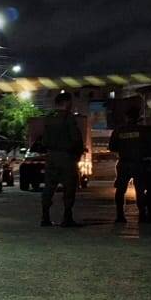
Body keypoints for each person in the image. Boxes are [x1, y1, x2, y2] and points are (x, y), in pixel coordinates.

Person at [40, 92, 85, 227]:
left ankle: (45, 217)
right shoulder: (68, 117)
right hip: (66, 157)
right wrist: (78, 152)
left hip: (51, 157)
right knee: (69, 188)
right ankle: (67, 218)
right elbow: (76, 138)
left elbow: (44, 140)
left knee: (49, 188)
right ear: (67, 102)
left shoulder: (49, 118)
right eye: (70, 102)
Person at [107, 108, 148, 223]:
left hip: (124, 163)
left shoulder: (119, 130)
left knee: (120, 190)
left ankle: (120, 215)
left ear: (126, 117)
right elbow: (148, 146)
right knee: (140, 190)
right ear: (137, 117)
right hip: (139, 163)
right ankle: (142, 215)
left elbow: (112, 147)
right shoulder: (143, 130)